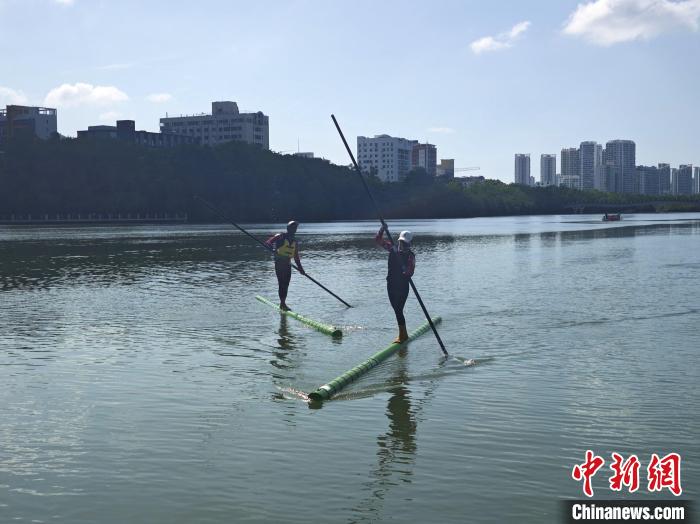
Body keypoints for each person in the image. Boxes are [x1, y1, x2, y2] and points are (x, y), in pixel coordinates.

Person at [375, 224, 415, 343]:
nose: (404, 245)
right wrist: (382, 229)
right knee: (396, 310)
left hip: (403, 287)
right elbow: (378, 240)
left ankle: (403, 336)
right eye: (402, 243)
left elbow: (411, 271)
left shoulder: (411, 256)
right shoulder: (392, 248)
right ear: (399, 241)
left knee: (398, 309)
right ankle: (404, 334)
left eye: (406, 243)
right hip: (391, 285)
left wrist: (406, 270)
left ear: (410, 244)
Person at [266, 220, 304, 311]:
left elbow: (296, 256)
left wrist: (300, 269)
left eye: (295, 228)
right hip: (279, 264)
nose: (294, 229)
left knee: (286, 284)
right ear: (288, 228)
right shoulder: (280, 236)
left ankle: (283, 303)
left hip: (287, 264)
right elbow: (268, 243)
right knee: (281, 284)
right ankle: (282, 304)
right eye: (293, 227)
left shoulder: (295, 241)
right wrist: (273, 250)